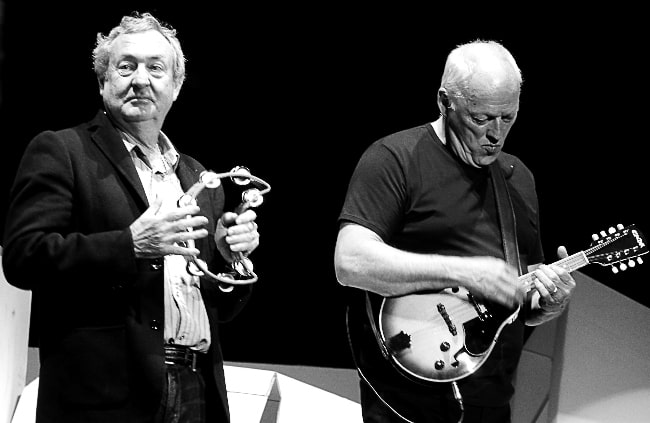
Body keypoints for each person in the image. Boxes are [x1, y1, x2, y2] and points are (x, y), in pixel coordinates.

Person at [2, 12, 261, 423]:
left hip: (196, 386)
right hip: (106, 397)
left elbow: (216, 307)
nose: (141, 79)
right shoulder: (62, 151)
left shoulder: (195, 175)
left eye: (156, 68)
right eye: (126, 66)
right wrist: (130, 245)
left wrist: (228, 261)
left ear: (175, 88)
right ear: (104, 81)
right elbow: (23, 256)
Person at [334, 40, 576, 423]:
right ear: (445, 102)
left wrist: (548, 303)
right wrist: (461, 271)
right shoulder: (395, 158)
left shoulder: (518, 179)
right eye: (480, 119)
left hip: (490, 398)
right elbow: (350, 262)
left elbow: (516, 304)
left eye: (507, 117)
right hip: (406, 397)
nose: (495, 134)